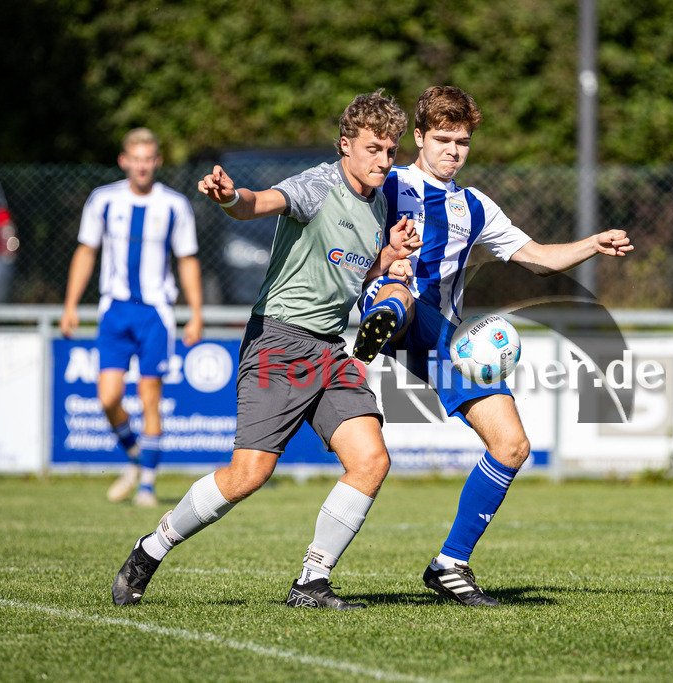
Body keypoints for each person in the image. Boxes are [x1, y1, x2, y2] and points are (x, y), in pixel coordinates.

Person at [111, 90, 420, 610]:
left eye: (390, 151)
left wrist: (389, 257)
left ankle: (311, 582)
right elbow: (259, 203)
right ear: (346, 145)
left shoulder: (381, 202)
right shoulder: (318, 185)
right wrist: (231, 198)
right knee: (247, 475)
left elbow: (352, 269)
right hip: (278, 340)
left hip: (329, 348)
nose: (383, 161)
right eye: (373, 149)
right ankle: (151, 549)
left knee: (370, 460)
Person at [351, 85, 633, 606]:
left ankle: (449, 564)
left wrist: (593, 243)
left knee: (512, 445)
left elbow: (539, 257)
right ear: (417, 137)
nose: (452, 150)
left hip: (443, 339)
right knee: (401, 292)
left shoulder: (476, 207)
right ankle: (382, 317)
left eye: (462, 141)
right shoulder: (386, 183)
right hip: (395, 305)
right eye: (442, 139)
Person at [60, 127, 204, 507]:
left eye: (149, 159)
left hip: (155, 313)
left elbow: (187, 260)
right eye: (135, 159)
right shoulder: (103, 200)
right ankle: (137, 458)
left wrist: (196, 313)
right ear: (125, 161)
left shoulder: (174, 205)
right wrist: (71, 305)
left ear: (157, 161)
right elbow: (86, 252)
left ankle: (147, 487)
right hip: (114, 309)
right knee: (107, 398)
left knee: (149, 397)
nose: (142, 166)